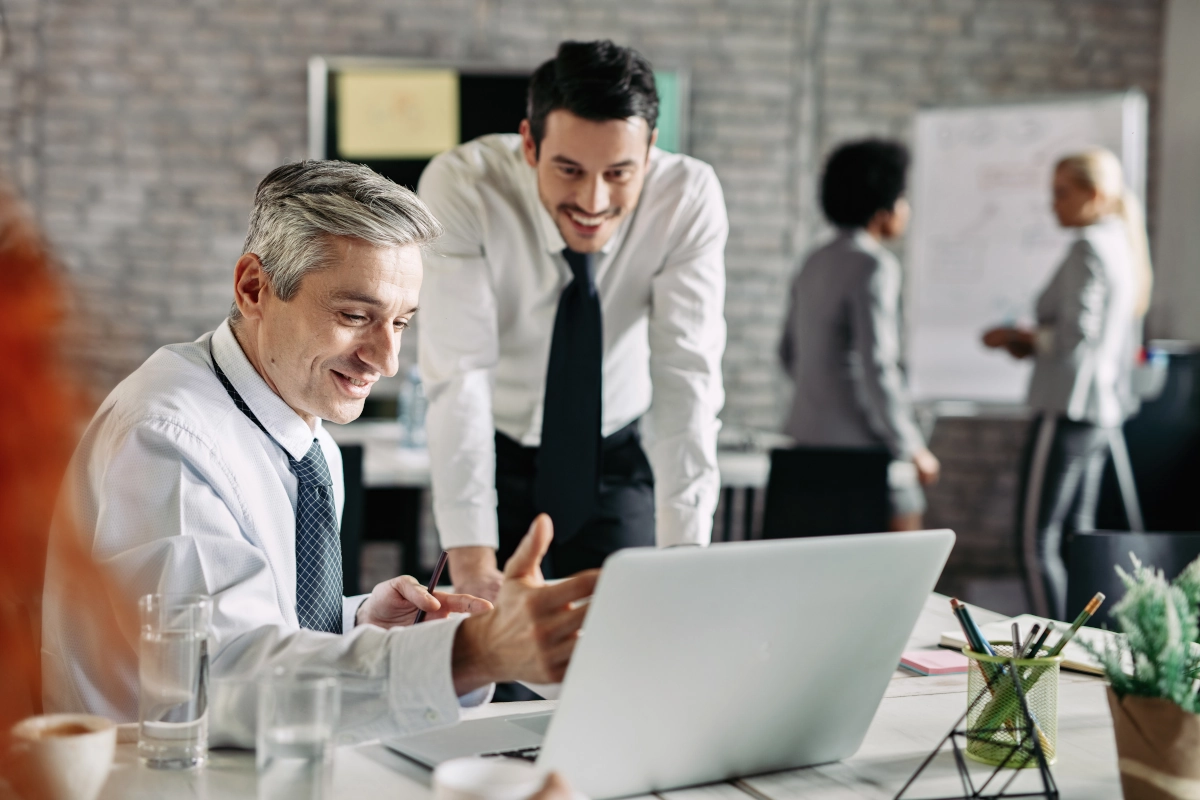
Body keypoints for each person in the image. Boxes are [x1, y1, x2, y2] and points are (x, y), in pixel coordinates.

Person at [41, 160, 598, 747]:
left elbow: (257, 623)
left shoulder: (301, 434)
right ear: (254, 288)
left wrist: (354, 622)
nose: (385, 361)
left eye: (401, 323)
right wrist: (473, 652)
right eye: (354, 316)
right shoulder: (166, 441)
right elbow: (230, 676)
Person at [418, 40, 728, 599]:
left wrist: (688, 558)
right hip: (493, 454)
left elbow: (688, 374)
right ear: (530, 144)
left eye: (619, 172)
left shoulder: (687, 198)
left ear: (651, 150)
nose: (593, 199)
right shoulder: (463, 185)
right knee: (491, 662)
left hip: (613, 452)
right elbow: (458, 374)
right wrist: (471, 561)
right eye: (569, 169)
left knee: (633, 639)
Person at [983, 147, 1152, 621]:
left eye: (1062, 192)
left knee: (1034, 541)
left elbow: (1078, 335)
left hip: (1069, 408)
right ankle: (1082, 651)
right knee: (1078, 534)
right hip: (1103, 412)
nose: (1052, 204)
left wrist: (1020, 337)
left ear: (1095, 195)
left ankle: (1050, 654)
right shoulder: (1121, 243)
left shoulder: (1089, 246)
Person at [778, 139, 940, 531]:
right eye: (903, 197)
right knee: (908, 553)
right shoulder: (874, 265)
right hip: (861, 456)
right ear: (882, 206)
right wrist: (913, 446)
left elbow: (786, 353)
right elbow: (877, 367)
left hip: (802, 444)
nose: (907, 209)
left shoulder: (813, 260)